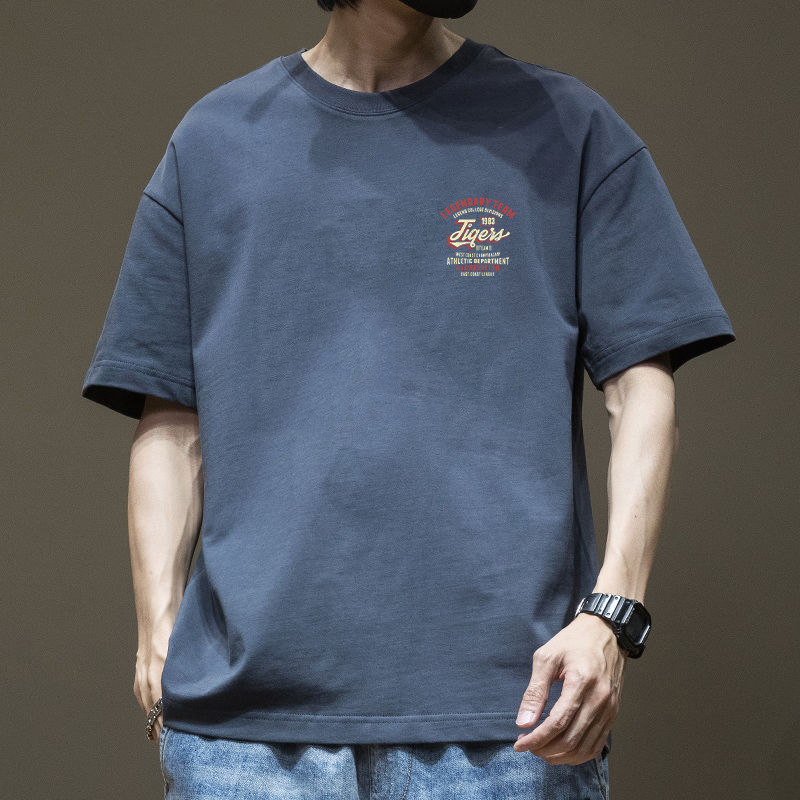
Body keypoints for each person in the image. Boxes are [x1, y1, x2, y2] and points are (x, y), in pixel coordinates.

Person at [80, 0, 736, 797]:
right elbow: (169, 416)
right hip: (244, 740)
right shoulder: (214, 143)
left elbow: (642, 390)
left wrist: (612, 613)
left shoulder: (568, 129)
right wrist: (157, 634)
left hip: (509, 724)